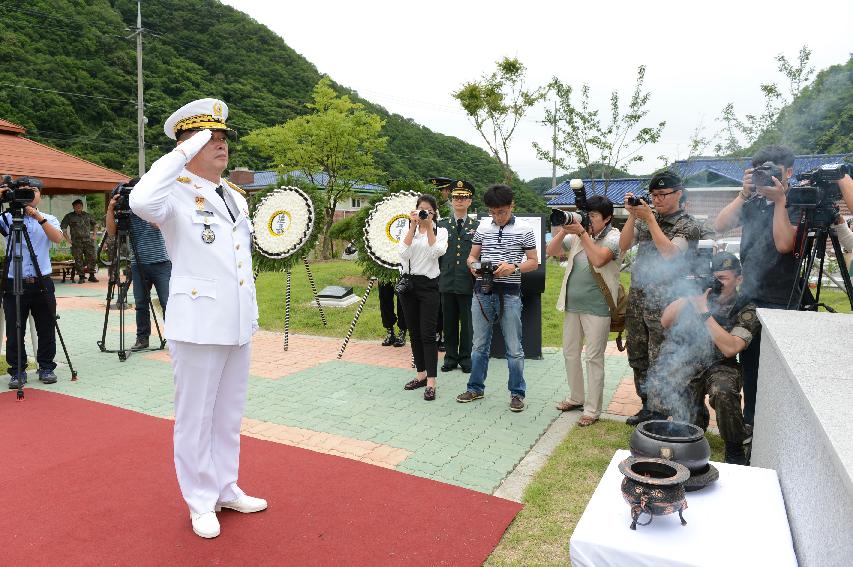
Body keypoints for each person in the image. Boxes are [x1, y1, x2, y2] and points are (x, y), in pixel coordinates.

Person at [129, 98, 265, 539]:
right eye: (211, 137)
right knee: (195, 417)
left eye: (224, 137)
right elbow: (139, 198)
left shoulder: (235, 197)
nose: (222, 144)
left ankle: (225, 487)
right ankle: (199, 499)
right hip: (198, 321)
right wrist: (184, 152)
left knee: (228, 414)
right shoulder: (171, 194)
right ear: (188, 144)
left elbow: (240, 259)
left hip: (236, 320)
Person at [713, 145, 799, 428]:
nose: (766, 177)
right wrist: (744, 192)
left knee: (779, 377)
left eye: (772, 171)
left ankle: (777, 430)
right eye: (760, 172)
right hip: (751, 298)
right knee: (751, 371)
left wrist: (780, 201)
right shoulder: (751, 202)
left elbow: (785, 244)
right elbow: (720, 225)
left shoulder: (798, 202)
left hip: (784, 300)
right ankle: (750, 428)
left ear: (789, 172)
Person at [660, 253, 759, 465]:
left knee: (723, 391)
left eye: (723, 278)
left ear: (738, 279)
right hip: (692, 363)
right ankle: (697, 422)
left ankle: (734, 448)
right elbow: (666, 321)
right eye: (714, 277)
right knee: (686, 429)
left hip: (722, 365)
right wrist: (690, 296)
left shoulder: (745, 307)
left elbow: (731, 348)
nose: (717, 282)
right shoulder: (701, 296)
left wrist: (704, 311)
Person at [620, 170, 702, 426]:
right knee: (638, 355)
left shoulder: (687, 225)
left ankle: (660, 411)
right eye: (654, 195)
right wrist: (633, 216)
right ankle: (647, 405)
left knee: (661, 358)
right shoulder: (645, 219)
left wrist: (651, 221)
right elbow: (623, 245)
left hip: (667, 303)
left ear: (678, 193)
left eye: (663, 195)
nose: (657, 200)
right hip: (638, 298)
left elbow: (671, 254)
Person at [456, 184, 538, 412]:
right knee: (479, 344)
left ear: (512, 206)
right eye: (493, 212)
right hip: (482, 291)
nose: (497, 216)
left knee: (514, 347)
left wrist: (513, 267)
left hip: (510, 293)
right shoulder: (483, 226)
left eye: (501, 211)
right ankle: (475, 388)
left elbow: (533, 261)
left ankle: (517, 393)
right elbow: (472, 256)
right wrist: (473, 266)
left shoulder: (524, 229)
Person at [546, 196, 621, 427]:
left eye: (595, 216)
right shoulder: (578, 235)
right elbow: (551, 250)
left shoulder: (613, 237)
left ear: (607, 217)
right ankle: (575, 397)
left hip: (598, 307)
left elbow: (599, 260)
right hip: (572, 305)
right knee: (570, 353)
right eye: (588, 214)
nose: (590, 219)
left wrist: (582, 233)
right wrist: (564, 229)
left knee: (593, 357)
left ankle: (592, 409)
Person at [0, 180, 64, 387]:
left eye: (33, 191)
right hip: (13, 280)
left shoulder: (49, 218)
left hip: (41, 281)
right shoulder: (7, 218)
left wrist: (38, 217)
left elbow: (58, 239)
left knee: (46, 326)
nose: (28, 194)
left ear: (40, 195)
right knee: (14, 329)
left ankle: (46, 367)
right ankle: (18, 371)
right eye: (23, 191)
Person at [105, 189, 172, 350]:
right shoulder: (126, 213)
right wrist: (111, 209)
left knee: (167, 302)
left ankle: (174, 338)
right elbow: (112, 232)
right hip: (138, 263)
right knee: (141, 303)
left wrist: (146, 209)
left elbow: (159, 225)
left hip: (160, 262)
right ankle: (142, 338)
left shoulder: (155, 206)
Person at [399, 195, 448, 401]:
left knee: (428, 335)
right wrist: (412, 226)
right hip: (409, 285)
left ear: (434, 212)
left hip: (429, 286)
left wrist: (428, 227)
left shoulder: (440, 231)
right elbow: (403, 252)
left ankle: (431, 382)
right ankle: (420, 375)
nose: (423, 213)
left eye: (427, 210)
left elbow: (437, 251)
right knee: (415, 333)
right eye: (420, 209)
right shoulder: (407, 228)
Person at [436, 180, 476, 374]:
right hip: (447, 280)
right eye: (456, 197)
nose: (459, 200)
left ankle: (466, 357)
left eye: (463, 197)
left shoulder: (478, 226)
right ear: (450, 201)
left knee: (467, 323)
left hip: (468, 281)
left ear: (470, 201)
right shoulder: (441, 225)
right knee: (449, 322)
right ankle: (450, 357)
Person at [60, 198, 98, 283]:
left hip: (88, 240)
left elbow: (95, 224)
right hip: (76, 242)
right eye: (77, 206)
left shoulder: (87, 215)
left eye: (80, 206)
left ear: (82, 206)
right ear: (73, 207)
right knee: (78, 259)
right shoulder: (69, 216)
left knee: (92, 257)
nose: (78, 208)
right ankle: (81, 276)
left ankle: (92, 275)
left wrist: (94, 235)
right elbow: (63, 228)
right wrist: (68, 239)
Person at [378, 281, 406, 347]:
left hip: (401, 271)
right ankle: (390, 331)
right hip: (386, 271)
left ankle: (402, 330)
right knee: (384, 297)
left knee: (402, 297)